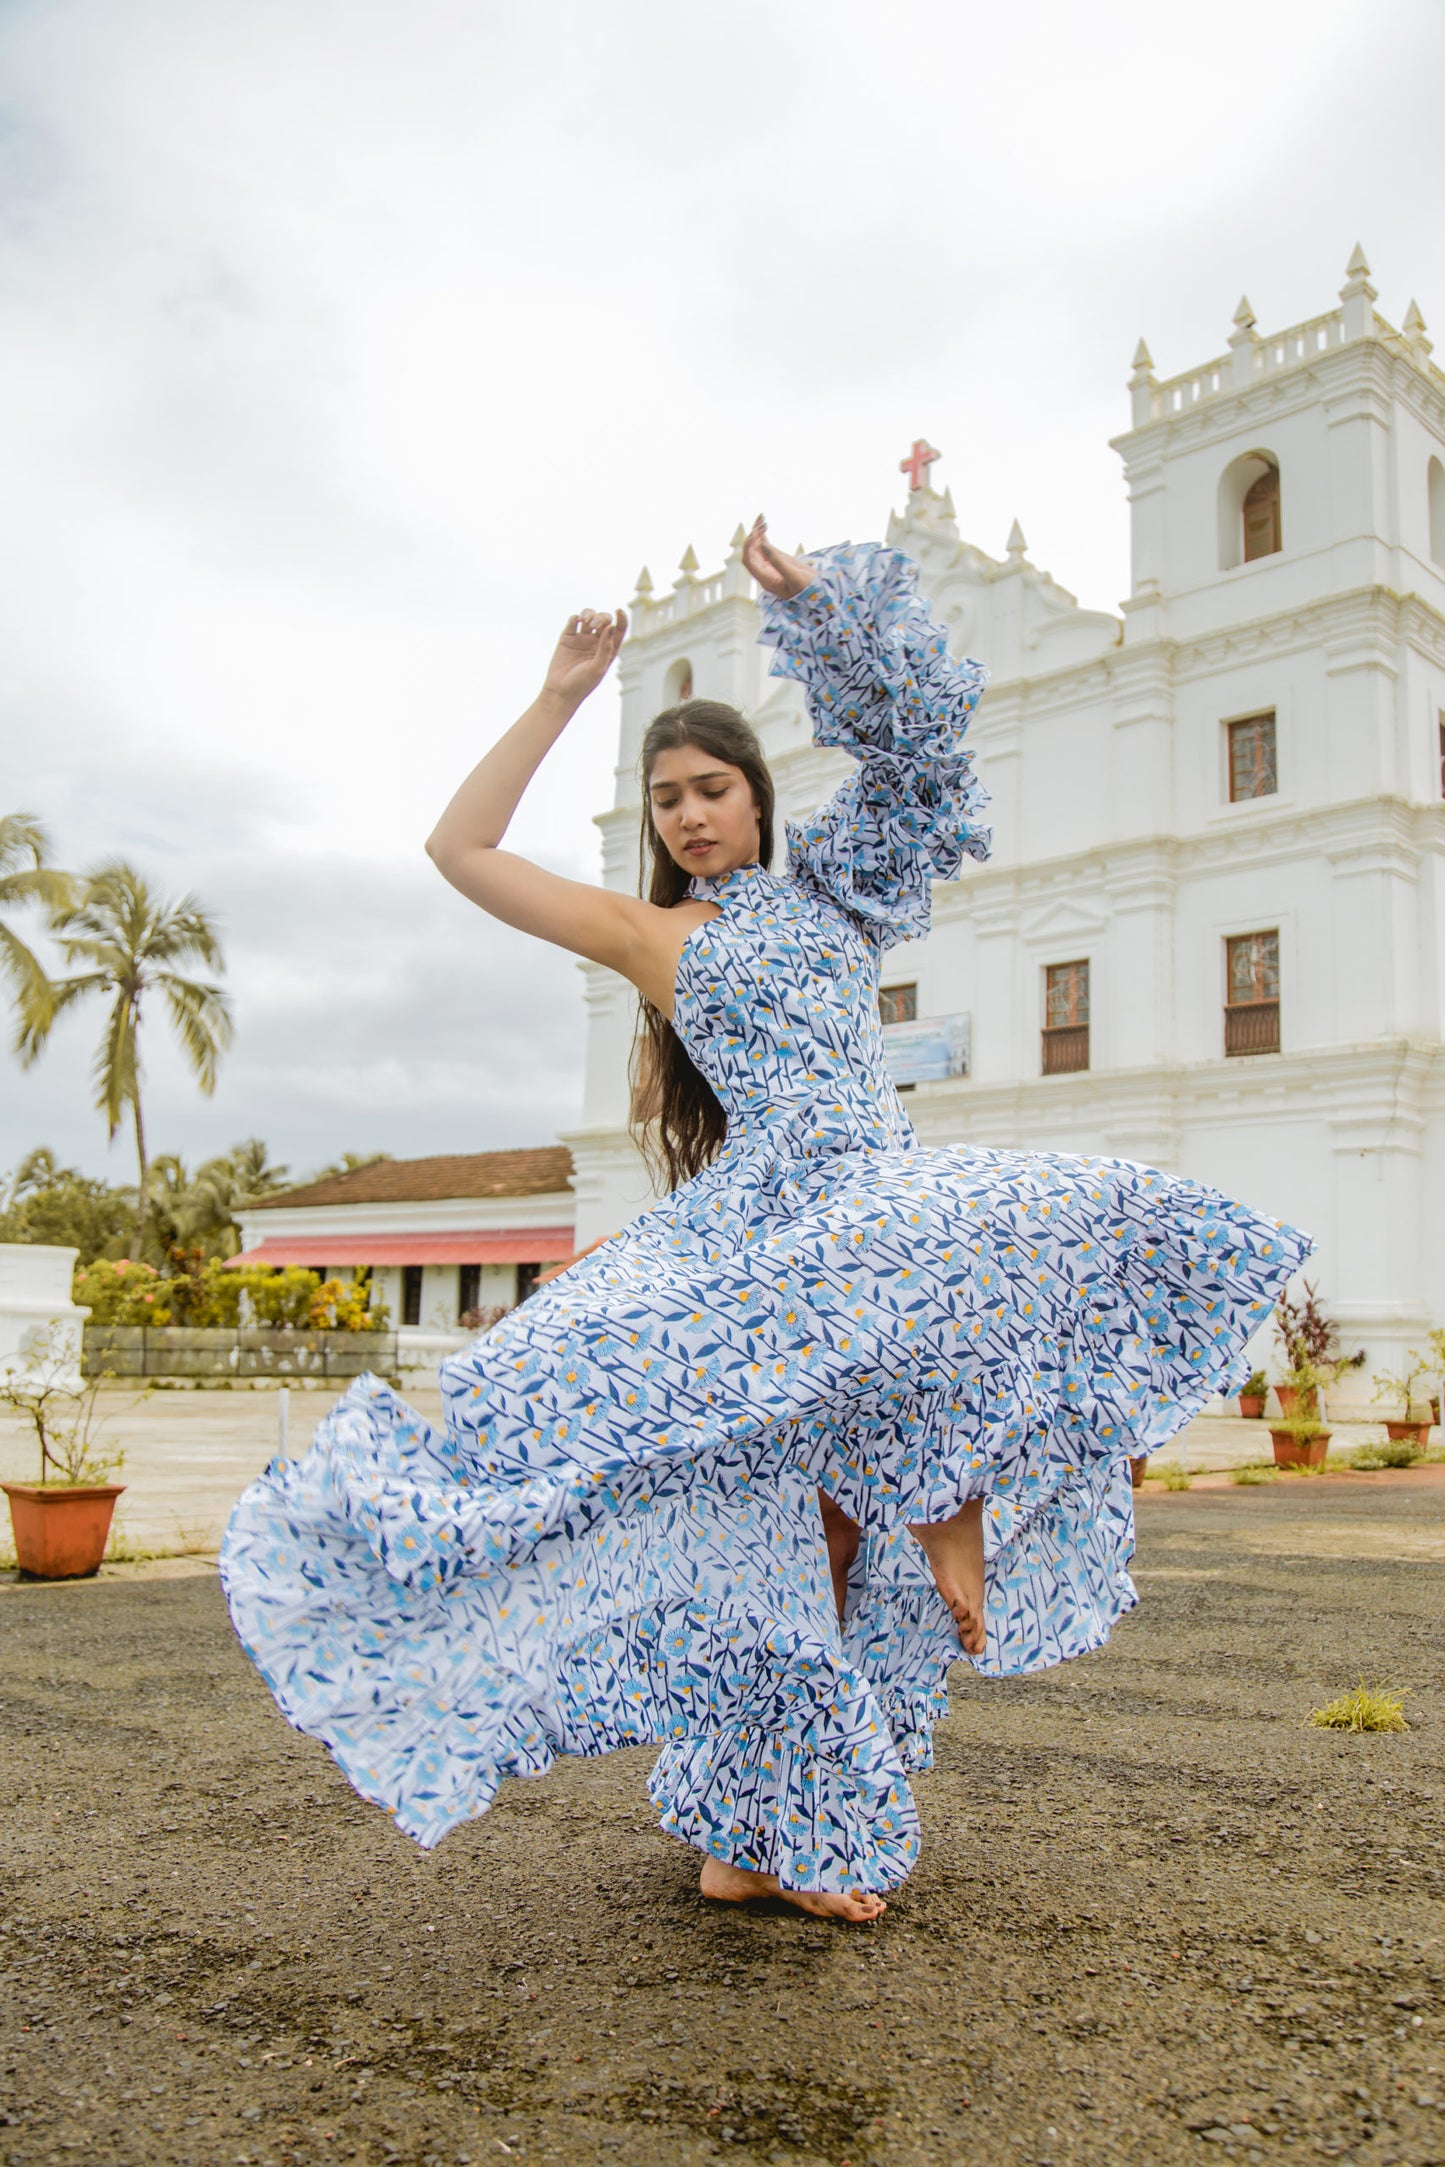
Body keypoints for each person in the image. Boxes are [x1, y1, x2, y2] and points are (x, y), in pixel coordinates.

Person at [222, 520, 1309, 1924]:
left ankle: (914, 1552)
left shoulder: (838, 893)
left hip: (872, 1191)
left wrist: (824, 616)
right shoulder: (648, 938)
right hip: (767, 1225)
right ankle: (774, 1795)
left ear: (756, 798)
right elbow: (458, 848)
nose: (686, 815)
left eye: (712, 788)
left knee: (1047, 1237)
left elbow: (922, 755)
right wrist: (556, 699)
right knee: (776, 1531)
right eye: (665, 795)